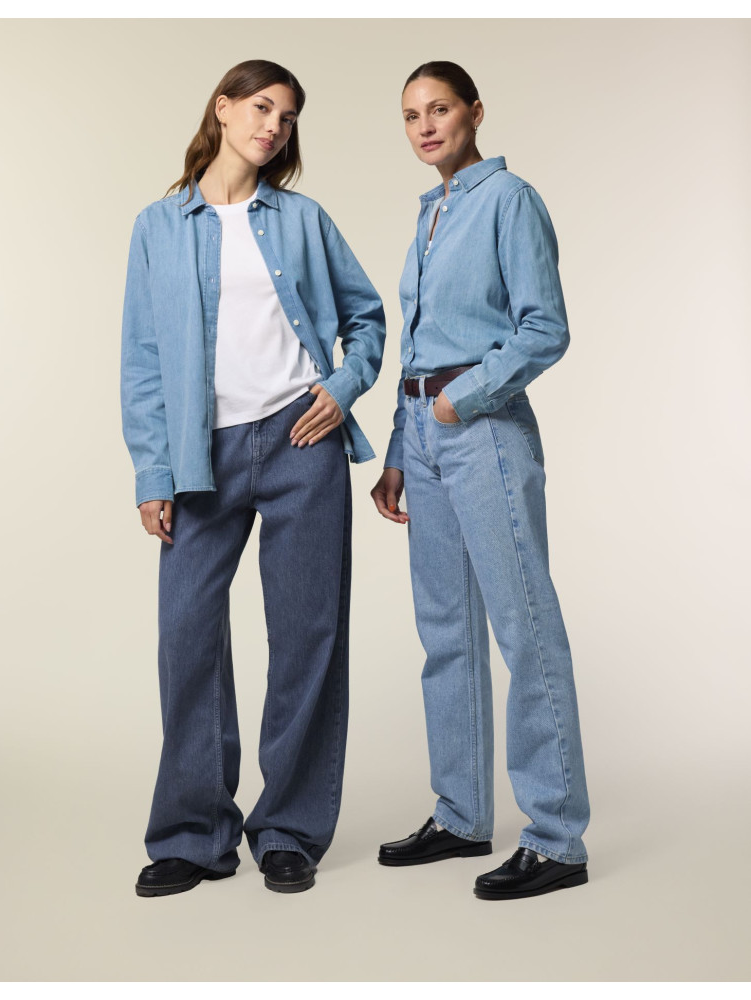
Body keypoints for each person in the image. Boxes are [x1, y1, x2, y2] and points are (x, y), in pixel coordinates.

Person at [121, 60, 385, 897]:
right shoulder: (158, 225)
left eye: (288, 117)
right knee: (187, 636)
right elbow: (143, 359)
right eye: (263, 107)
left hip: (300, 440)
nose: (274, 126)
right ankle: (193, 835)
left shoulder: (302, 219)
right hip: (200, 455)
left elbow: (366, 318)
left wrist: (341, 388)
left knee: (307, 634)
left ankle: (289, 830)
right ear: (223, 108)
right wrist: (152, 470)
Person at [370, 61, 590, 900]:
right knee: (445, 632)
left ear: (474, 113)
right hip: (424, 435)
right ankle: (461, 815)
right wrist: (400, 447)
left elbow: (543, 328)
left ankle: (557, 839)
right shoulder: (429, 214)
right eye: (410, 115)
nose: (425, 126)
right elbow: (415, 344)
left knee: (523, 626)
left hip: (483, 429)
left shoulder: (508, 200)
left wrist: (459, 402)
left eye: (439, 109)